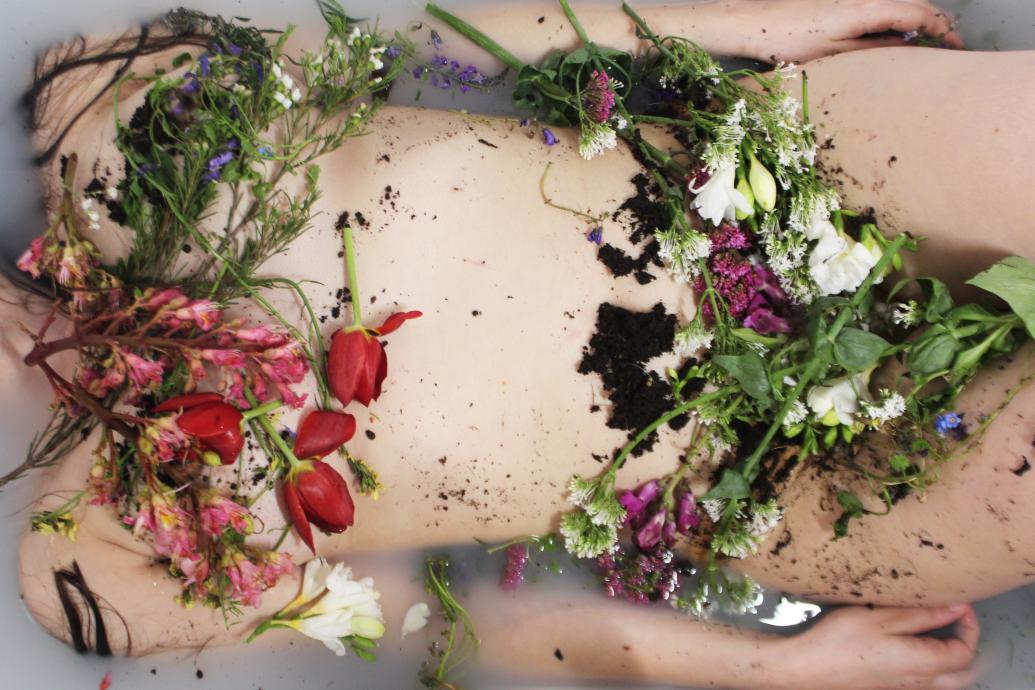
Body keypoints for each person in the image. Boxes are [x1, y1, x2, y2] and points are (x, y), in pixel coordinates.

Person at [11, 1, 1031, 688]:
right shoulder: (91, 565)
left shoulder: (98, 121)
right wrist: (773, 667)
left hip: (766, 168)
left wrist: (754, 21)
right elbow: (428, 629)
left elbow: (424, 38)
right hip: (752, 488)